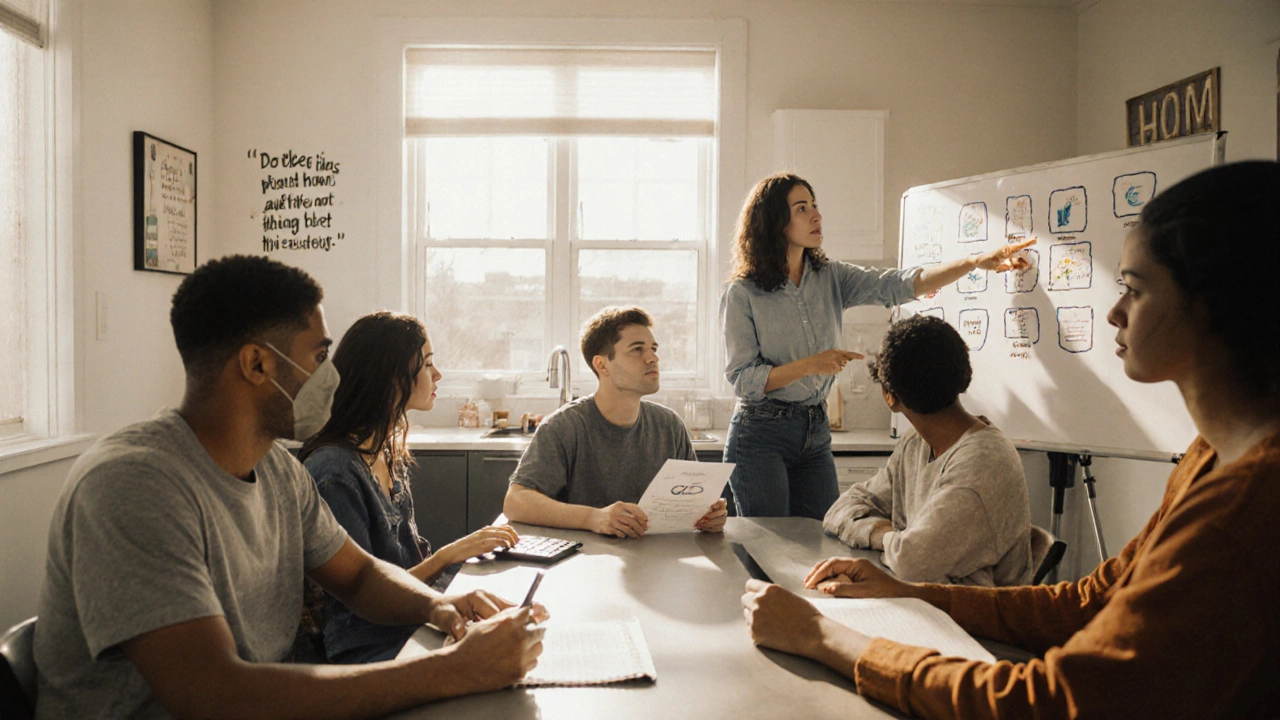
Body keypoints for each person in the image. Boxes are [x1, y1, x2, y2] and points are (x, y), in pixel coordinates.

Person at [742, 160, 1280, 718]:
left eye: (1135, 290)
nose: (1115, 313)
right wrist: (902, 590)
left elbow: (1052, 702)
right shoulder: (1209, 457)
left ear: (1215, 305)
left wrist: (825, 639)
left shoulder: (1244, 507)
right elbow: (1091, 601)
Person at [34, 255, 545, 720]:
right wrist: (455, 670)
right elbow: (214, 696)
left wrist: (439, 606)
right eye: (320, 357)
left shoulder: (280, 471)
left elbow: (361, 577)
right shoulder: (133, 486)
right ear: (257, 364)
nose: (335, 378)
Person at [721, 172, 1034, 519]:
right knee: (767, 547)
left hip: (814, 429)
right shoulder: (743, 293)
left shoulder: (831, 277)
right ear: (774, 222)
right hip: (761, 433)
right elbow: (743, 380)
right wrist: (810, 364)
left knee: (819, 541)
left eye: (814, 205)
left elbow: (898, 285)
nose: (816, 216)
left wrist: (974, 263)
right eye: (801, 208)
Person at [298, 311, 521, 664]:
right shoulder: (334, 473)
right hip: (368, 648)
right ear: (390, 378)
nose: (438, 374)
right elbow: (361, 602)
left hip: (414, 621)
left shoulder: (386, 451)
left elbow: (404, 580)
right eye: (427, 363)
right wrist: (449, 555)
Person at [823, 314, 1034, 585]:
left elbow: (914, 562)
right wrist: (887, 535)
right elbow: (841, 509)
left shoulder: (984, 463)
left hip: (970, 623)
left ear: (890, 397)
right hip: (920, 602)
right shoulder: (916, 444)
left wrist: (895, 542)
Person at [503, 306, 728, 538]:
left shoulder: (669, 425)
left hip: (657, 561)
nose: (653, 358)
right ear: (602, 365)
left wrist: (708, 516)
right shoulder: (563, 427)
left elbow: (692, 502)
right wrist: (593, 518)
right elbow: (516, 502)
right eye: (637, 349)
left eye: (653, 348)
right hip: (582, 563)